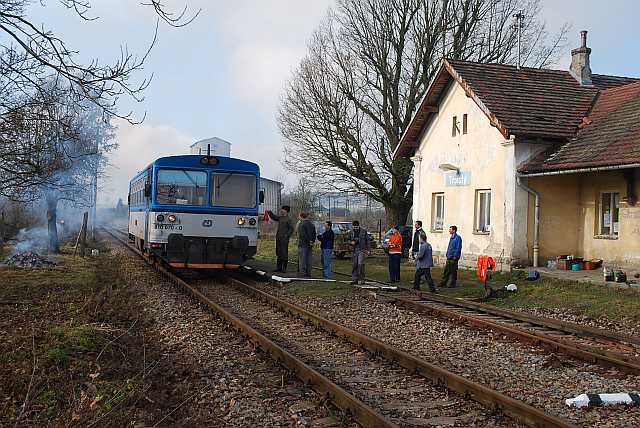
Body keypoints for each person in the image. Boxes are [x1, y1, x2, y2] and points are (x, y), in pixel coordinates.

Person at [266, 205, 295, 272]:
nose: (281, 210)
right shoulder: (280, 217)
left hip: (284, 239)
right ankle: (278, 268)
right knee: (278, 252)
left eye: (283, 209)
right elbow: (274, 217)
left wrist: (287, 235)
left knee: (284, 253)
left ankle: (284, 268)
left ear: (286, 211)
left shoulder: (289, 219)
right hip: (278, 238)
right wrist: (269, 212)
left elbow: (291, 229)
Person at [348, 220, 369, 285]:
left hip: (361, 250)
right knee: (355, 265)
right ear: (353, 226)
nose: (355, 228)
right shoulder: (351, 232)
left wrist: (368, 250)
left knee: (360, 264)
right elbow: (348, 240)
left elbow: (367, 240)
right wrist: (351, 243)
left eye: (356, 227)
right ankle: (355, 279)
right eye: (354, 227)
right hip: (354, 250)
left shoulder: (363, 231)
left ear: (358, 226)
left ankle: (362, 279)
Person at [297, 212, 316, 277]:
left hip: (303, 244)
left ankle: (302, 273)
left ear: (301, 216)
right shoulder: (311, 224)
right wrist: (312, 241)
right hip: (310, 245)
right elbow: (314, 234)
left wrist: (308, 241)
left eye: (299, 216)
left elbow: (302, 235)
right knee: (309, 259)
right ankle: (308, 273)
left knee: (302, 259)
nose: (298, 217)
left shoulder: (301, 224)